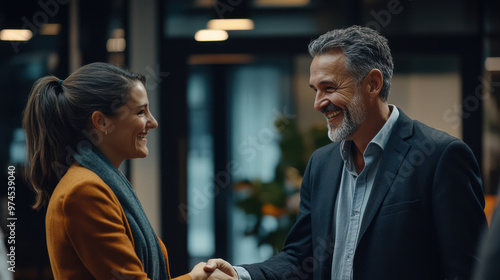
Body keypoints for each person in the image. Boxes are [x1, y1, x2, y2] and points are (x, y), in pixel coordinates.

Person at [204, 25, 488, 280]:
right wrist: (241, 275)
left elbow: (470, 270)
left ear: (373, 84)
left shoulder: (440, 157)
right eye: (316, 89)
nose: (318, 103)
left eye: (328, 88)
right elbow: (300, 258)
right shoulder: (321, 164)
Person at [22, 62, 229, 280]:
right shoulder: (84, 191)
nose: (153, 122)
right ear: (102, 122)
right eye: (141, 112)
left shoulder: (100, 182)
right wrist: (197, 278)